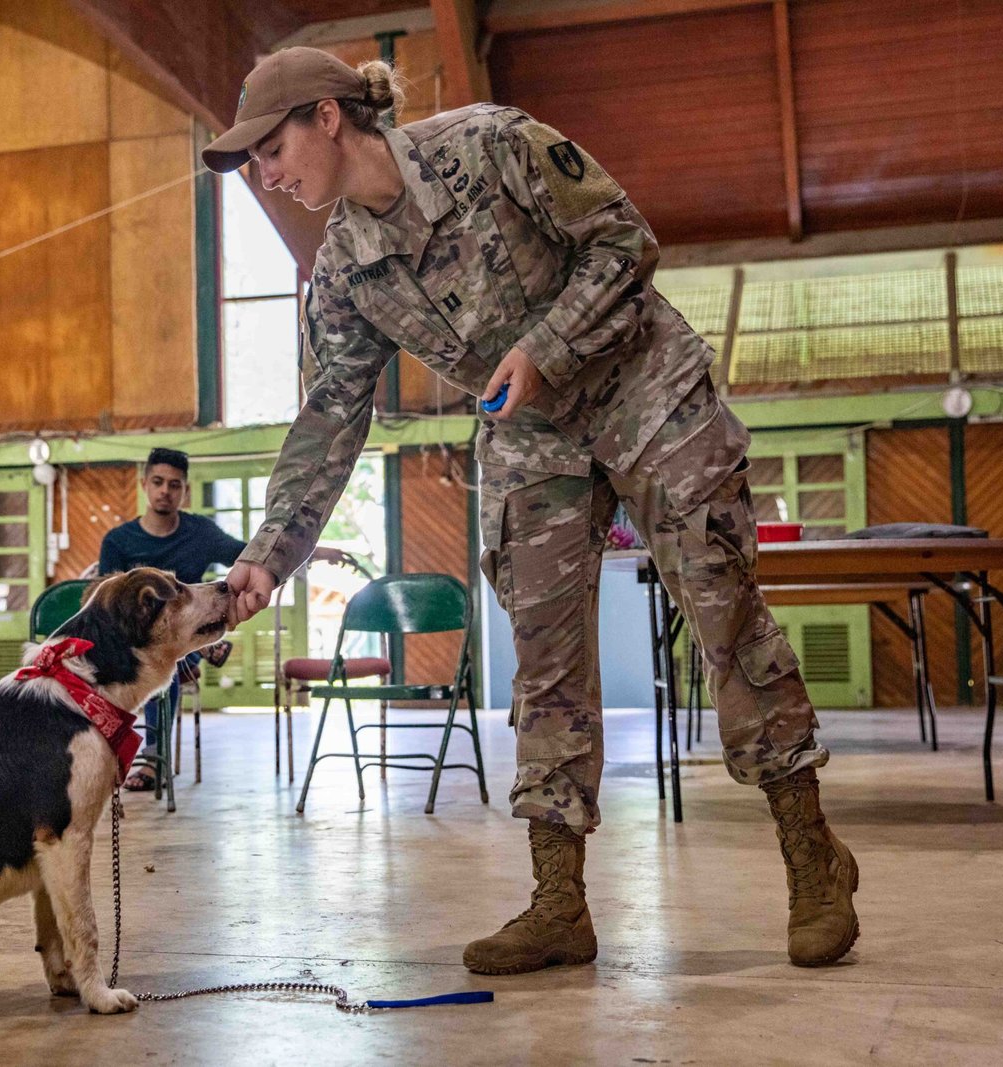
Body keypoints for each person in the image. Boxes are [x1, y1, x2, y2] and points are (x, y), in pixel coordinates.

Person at [209, 48, 858, 971]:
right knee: (545, 657)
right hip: (527, 431)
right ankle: (560, 903)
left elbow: (626, 240)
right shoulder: (345, 269)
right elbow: (329, 417)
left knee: (720, 608)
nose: (265, 176)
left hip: (643, 386)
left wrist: (546, 347)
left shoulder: (490, 144)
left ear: (325, 116)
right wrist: (269, 555)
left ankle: (812, 860)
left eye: (269, 150)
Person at [98, 448, 342, 791]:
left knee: (164, 662)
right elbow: (105, 601)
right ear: (144, 485)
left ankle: (155, 758)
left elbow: (254, 556)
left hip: (186, 633)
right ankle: (205, 654)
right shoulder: (118, 541)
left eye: (174, 484)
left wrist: (314, 552)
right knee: (149, 657)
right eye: (157, 482)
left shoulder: (200, 533)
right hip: (134, 638)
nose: (165, 490)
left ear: (186, 490)